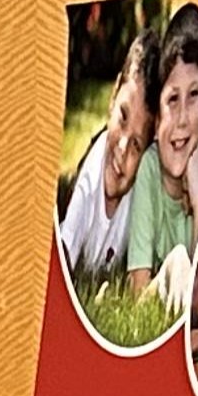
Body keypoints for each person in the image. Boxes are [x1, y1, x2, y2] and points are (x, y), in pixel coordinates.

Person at [121, 2, 198, 283]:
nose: (183, 119)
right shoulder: (149, 169)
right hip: (163, 294)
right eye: (173, 99)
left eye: (194, 95)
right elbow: (140, 291)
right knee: (177, 264)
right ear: (157, 113)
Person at [55, 30, 151, 280]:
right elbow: (62, 262)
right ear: (113, 98)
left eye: (137, 145)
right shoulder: (89, 182)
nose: (122, 148)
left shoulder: (142, 193)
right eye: (123, 116)